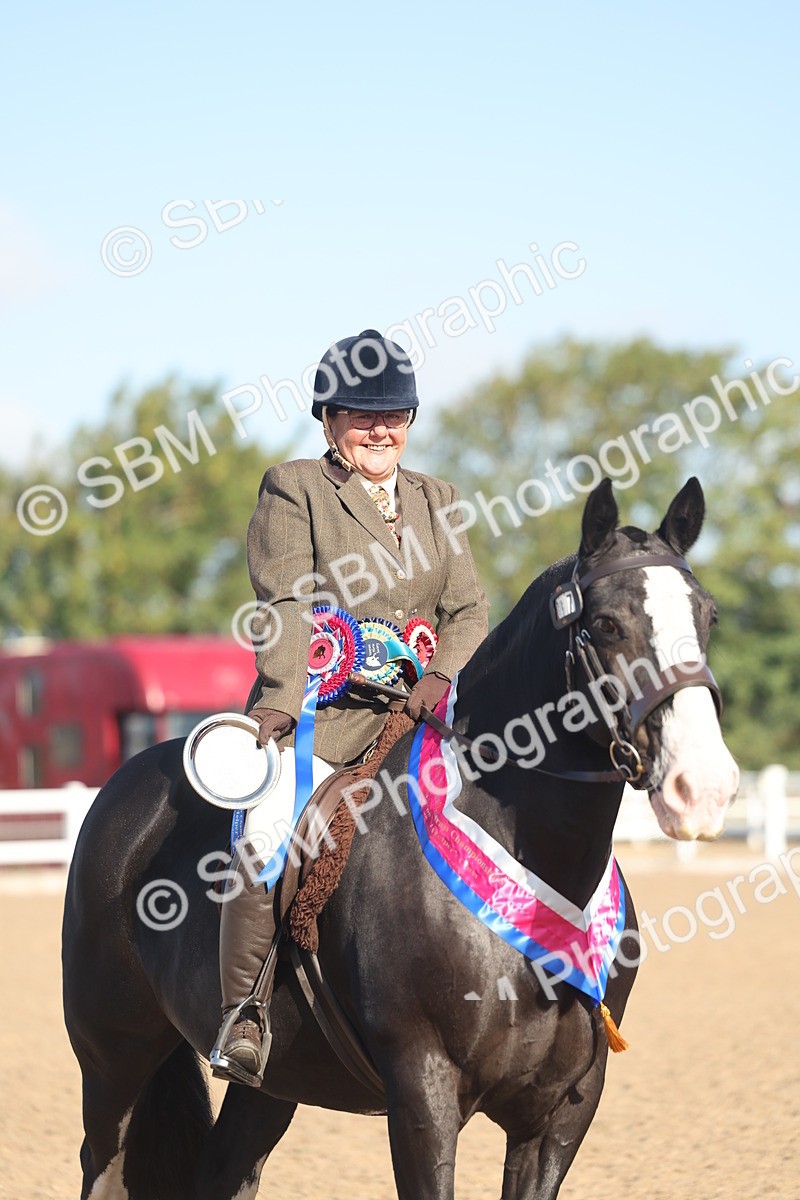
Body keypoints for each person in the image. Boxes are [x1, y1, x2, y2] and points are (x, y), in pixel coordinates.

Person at [211, 329, 489, 1085]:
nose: (379, 430)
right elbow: (287, 602)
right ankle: (246, 1015)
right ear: (329, 420)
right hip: (324, 718)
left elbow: (467, 611)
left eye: (393, 415)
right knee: (268, 828)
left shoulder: (441, 500)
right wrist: (279, 701)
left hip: (423, 720)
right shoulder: (295, 486)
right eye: (361, 416)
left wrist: (442, 676)